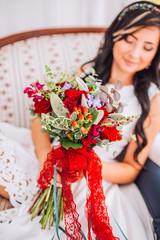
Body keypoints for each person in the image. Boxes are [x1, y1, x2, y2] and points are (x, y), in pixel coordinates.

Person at [0, 1, 160, 239]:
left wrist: (84, 164)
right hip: (50, 159)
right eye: (129, 39)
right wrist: (46, 157)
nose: (134, 53)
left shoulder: (151, 99)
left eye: (147, 47)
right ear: (115, 35)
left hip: (94, 176)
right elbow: (40, 120)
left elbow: (131, 169)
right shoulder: (85, 72)